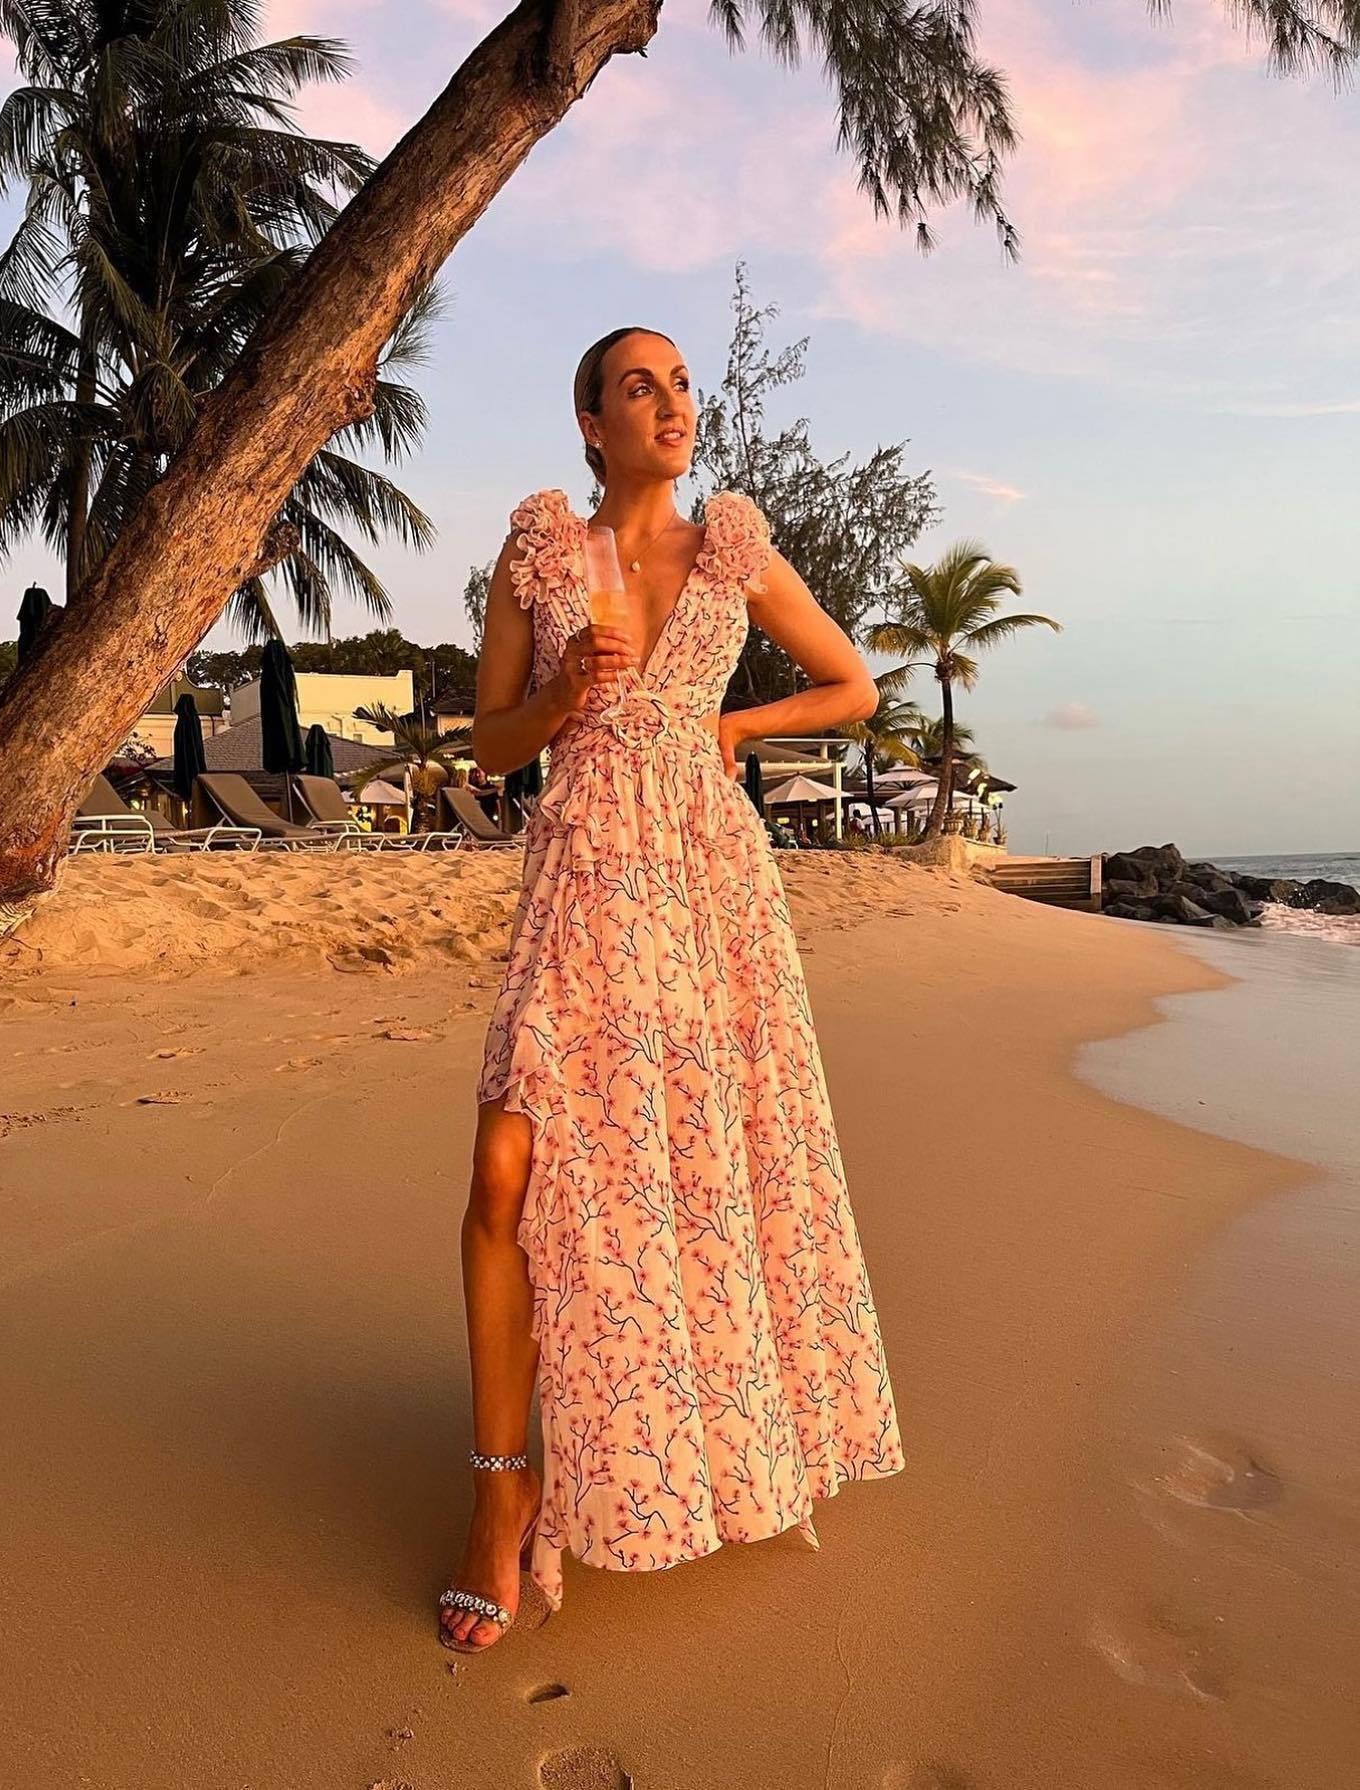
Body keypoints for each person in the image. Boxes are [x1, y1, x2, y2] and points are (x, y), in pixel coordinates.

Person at [438, 327, 904, 1653]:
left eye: (683, 385)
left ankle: (695, 1442)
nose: (672, 404)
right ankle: (501, 1493)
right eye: (640, 386)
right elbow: (490, 746)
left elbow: (852, 685)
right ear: (592, 423)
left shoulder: (730, 549)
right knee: (505, 1166)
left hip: (705, 891)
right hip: (585, 876)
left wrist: (735, 724)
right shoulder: (539, 553)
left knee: (691, 1169)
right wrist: (560, 697)